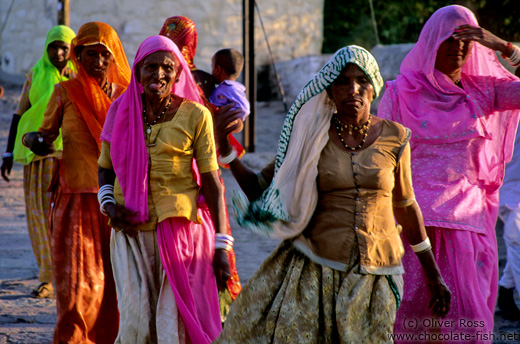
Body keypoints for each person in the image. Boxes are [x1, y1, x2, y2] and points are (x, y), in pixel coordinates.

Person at [212, 45, 450, 343]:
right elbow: (260, 188)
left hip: (376, 272)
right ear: (330, 91)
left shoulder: (396, 137)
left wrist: (432, 272)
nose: (353, 89)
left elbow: (405, 205)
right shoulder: (309, 137)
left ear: (373, 88)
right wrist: (226, 149)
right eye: (343, 82)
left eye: (362, 81)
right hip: (314, 268)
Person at [377, 5, 520, 341]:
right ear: (430, 42)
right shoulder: (399, 92)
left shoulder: (482, 91)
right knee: (411, 320)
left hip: (465, 228)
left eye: (466, 40)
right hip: (411, 228)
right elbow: (381, 160)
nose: (458, 46)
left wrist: (504, 47)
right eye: (449, 38)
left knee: (465, 321)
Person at [98, 35, 230, 343]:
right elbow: (105, 166)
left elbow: (211, 181)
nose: (158, 75)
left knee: (175, 325)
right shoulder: (120, 111)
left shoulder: (196, 115)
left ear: (179, 74)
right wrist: (109, 204)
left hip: (180, 232)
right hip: (130, 231)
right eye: (150, 67)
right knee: (136, 322)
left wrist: (222, 245)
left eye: (167, 68)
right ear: (138, 71)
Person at [22, 21, 131, 343]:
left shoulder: (127, 98)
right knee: (76, 282)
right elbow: (43, 135)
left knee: (117, 280)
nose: (98, 62)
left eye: (104, 55)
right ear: (77, 57)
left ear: (114, 59)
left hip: (118, 201)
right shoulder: (65, 92)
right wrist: (33, 140)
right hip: (76, 197)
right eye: (90, 54)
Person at [159, 15, 243, 320]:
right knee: (209, 244)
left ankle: (184, 313)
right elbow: (232, 121)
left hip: (168, 174)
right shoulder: (207, 81)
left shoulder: (153, 77)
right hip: (205, 170)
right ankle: (213, 313)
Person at [1, 25, 75, 298]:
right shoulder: (34, 74)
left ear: (72, 49)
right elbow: (20, 114)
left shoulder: (79, 77)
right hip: (36, 158)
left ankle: (67, 273)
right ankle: (47, 275)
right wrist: (9, 153)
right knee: (38, 217)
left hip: (68, 158)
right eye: (53, 47)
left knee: (65, 218)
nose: (58, 52)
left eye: (64, 48)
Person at [497, 66, 520, 321]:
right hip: (509, 189)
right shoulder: (507, 106)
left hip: (515, 189)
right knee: (517, 242)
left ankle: (505, 293)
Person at [209, 48, 250, 134]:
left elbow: (244, 108)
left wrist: (229, 115)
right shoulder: (224, 87)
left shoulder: (229, 88)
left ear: (217, 69)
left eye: (212, 67)